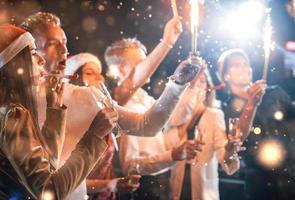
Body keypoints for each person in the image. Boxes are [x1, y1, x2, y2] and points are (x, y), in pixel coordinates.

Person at [20, 12, 204, 200]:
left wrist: (177, 85)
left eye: (64, 41)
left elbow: (147, 125)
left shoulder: (86, 97)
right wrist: (166, 42)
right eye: (52, 43)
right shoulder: (14, 106)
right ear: (31, 51)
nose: (63, 49)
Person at [0, 24, 114, 200]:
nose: (41, 60)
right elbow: (50, 191)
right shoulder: (11, 113)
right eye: (32, 53)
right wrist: (94, 137)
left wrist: (54, 111)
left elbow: (45, 170)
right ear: (14, 63)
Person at [104, 38, 204, 200]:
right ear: (121, 70)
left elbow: (174, 118)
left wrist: (188, 84)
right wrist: (172, 155)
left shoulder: (145, 99)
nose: (151, 66)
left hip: (161, 185)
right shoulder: (122, 108)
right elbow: (130, 166)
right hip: (143, 189)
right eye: (143, 63)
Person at [216, 48, 295, 199]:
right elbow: (238, 137)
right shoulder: (225, 111)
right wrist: (252, 104)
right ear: (225, 75)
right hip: (262, 184)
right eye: (236, 65)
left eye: (246, 63)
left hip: (291, 174)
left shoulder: (275, 93)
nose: (244, 67)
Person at [66, 53, 141, 199]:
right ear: (73, 79)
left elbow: (145, 125)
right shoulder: (69, 120)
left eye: (100, 74)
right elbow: (66, 180)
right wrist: (110, 184)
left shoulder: (103, 114)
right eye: (89, 73)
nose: (99, 78)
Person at [167, 71, 244, 200]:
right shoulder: (174, 117)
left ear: (208, 88)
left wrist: (230, 150)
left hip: (203, 191)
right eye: (192, 81)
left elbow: (223, 154)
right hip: (176, 190)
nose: (196, 85)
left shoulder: (214, 116)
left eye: (202, 81)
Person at [105, 17, 182, 106]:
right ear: (121, 69)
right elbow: (133, 79)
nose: (147, 66)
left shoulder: (143, 96)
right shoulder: (112, 98)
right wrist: (167, 42)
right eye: (140, 63)